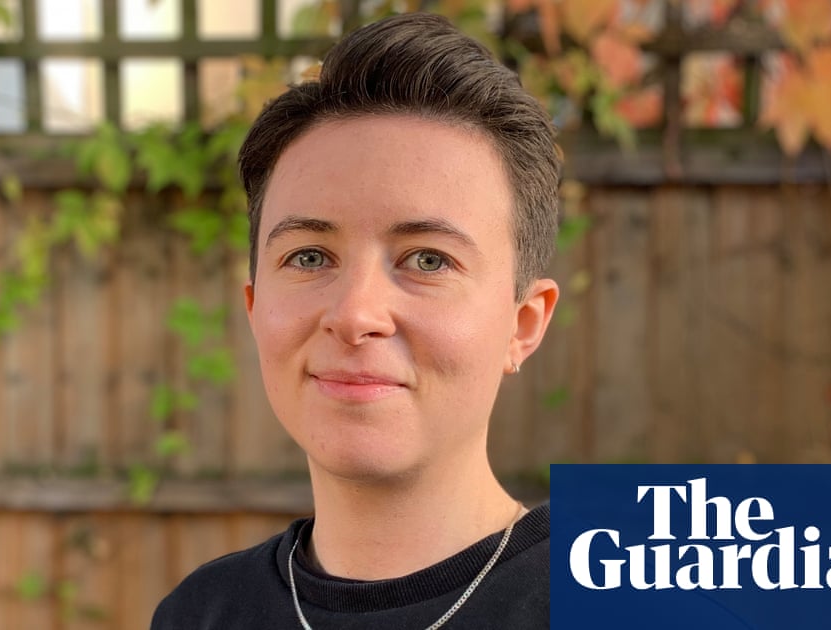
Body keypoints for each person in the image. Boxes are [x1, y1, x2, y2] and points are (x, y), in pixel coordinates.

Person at [151, 11, 560, 629]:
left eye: (428, 259)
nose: (355, 314)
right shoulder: (201, 614)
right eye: (309, 257)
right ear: (256, 309)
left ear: (523, 324)